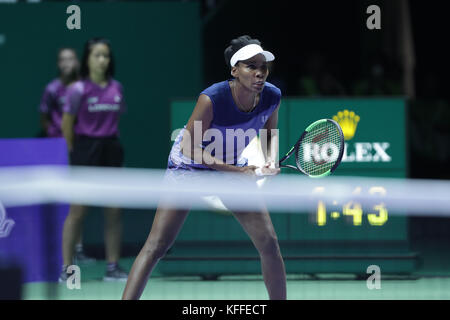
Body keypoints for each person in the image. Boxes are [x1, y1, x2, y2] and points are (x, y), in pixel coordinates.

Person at [122, 35, 287, 300]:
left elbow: (269, 136)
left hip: (232, 166)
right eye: (251, 66)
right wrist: (236, 172)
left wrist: (269, 159)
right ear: (234, 70)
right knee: (157, 246)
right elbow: (189, 148)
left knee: (269, 243)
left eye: (263, 67)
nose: (259, 73)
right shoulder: (212, 99)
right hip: (188, 167)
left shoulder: (271, 97)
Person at [60, 38, 128, 282]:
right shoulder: (77, 90)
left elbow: (116, 121)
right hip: (85, 151)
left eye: (106, 56)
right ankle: (67, 269)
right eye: (97, 55)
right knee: (77, 211)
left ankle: (112, 267)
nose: (102, 60)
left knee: (113, 211)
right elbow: (67, 126)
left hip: (110, 150)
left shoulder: (117, 88)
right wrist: (75, 153)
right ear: (87, 59)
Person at [39, 47, 95, 264]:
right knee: (65, 200)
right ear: (57, 64)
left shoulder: (84, 88)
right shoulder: (52, 89)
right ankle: (60, 253)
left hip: (81, 148)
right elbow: (44, 117)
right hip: (57, 149)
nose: (67, 63)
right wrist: (56, 140)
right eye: (62, 59)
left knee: (78, 199)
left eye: (71, 58)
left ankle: (78, 249)